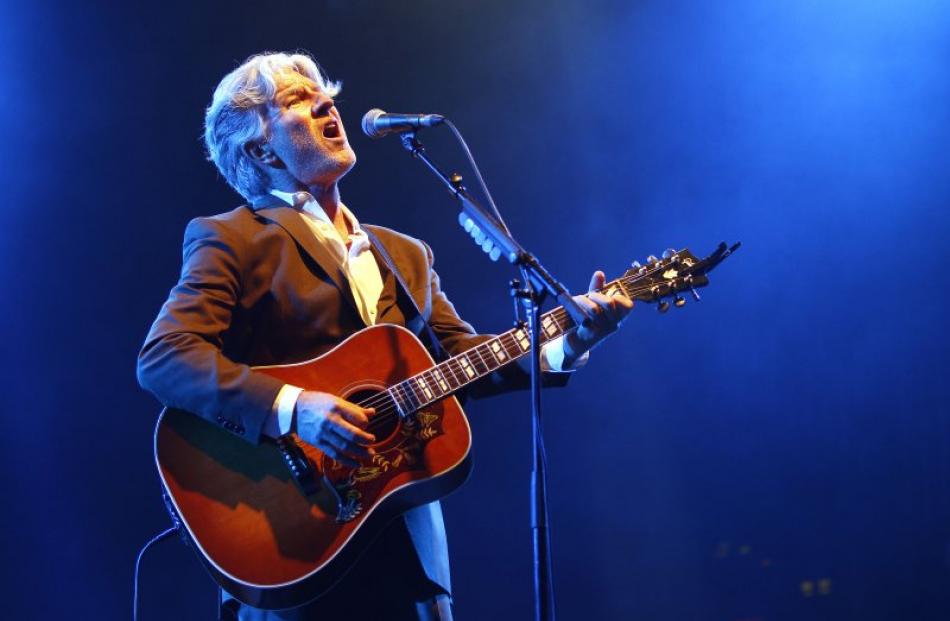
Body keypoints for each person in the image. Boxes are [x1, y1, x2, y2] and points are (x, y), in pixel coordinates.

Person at [137, 52, 632, 621]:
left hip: (410, 553)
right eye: (298, 99)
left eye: (323, 92)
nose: (326, 102)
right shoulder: (233, 239)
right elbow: (166, 357)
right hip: (292, 542)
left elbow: (464, 360)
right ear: (260, 149)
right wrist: (295, 409)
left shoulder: (404, 253)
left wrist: (571, 340)